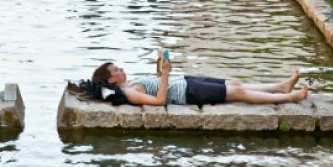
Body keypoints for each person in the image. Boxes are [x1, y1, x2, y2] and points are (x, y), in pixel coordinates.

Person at [90, 60, 309, 107]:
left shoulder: (129, 85)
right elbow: (159, 100)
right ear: (111, 80)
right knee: (238, 92)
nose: (122, 70)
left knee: (234, 82)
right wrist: (165, 74)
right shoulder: (130, 93)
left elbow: (157, 85)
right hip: (188, 93)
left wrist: (161, 71)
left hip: (186, 81)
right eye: (117, 70)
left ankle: (280, 87)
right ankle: (290, 97)